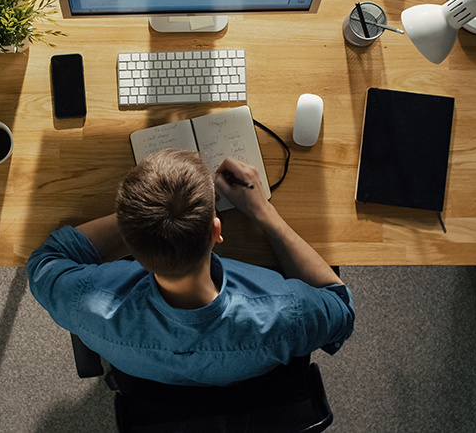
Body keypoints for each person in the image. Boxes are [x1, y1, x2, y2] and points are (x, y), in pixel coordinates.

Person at [26, 148, 354, 386]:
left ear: (133, 248)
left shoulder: (83, 301)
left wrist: (140, 217)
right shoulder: (289, 312)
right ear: (216, 231)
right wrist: (263, 213)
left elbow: (45, 260)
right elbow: (340, 307)